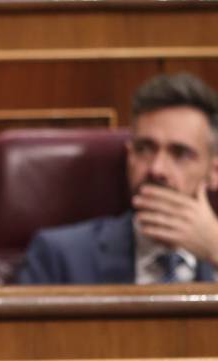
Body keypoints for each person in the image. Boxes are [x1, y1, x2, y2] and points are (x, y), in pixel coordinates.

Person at [16, 73, 218, 284]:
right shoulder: (59, 257)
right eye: (145, 149)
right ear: (129, 157)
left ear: (214, 172)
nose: (157, 169)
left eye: (180, 153)